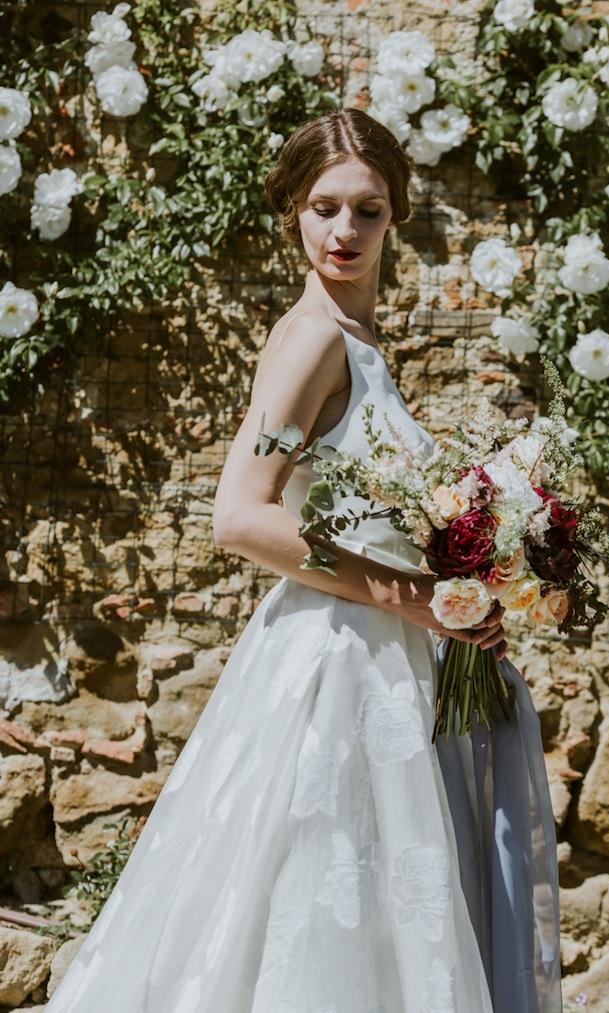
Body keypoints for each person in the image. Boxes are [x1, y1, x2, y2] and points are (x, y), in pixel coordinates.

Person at [45, 108, 561, 1012]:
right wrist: (413, 596)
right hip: (333, 659)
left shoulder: (359, 346)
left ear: (396, 215)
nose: (345, 231)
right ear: (292, 211)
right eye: (324, 208)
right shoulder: (313, 339)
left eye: (367, 210)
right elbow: (239, 517)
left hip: (377, 659)